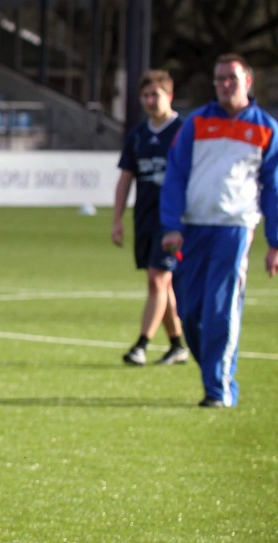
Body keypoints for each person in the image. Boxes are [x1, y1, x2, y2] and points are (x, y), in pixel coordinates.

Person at [160, 53, 278, 408]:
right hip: (192, 229)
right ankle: (215, 373)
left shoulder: (265, 128)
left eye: (232, 78)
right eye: (220, 79)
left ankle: (219, 389)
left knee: (221, 309)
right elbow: (175, 174)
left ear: (248, 82)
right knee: (190, 311)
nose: (225, 85)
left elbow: (273, 188)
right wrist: (171, 225)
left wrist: (275, 242)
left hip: (235, 229)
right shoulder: (196, 123)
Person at [111, 69, 188, 367]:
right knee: (161, 283)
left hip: (172, 222)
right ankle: (177, 344)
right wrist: (117, 220)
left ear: (169, 95)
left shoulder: (183, 132)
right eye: (145, 95)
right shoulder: (138, 135)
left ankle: (141, 345)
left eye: (155, 94)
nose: (149, 100)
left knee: (158, 279)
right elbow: (126, 178)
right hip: (144, 217)